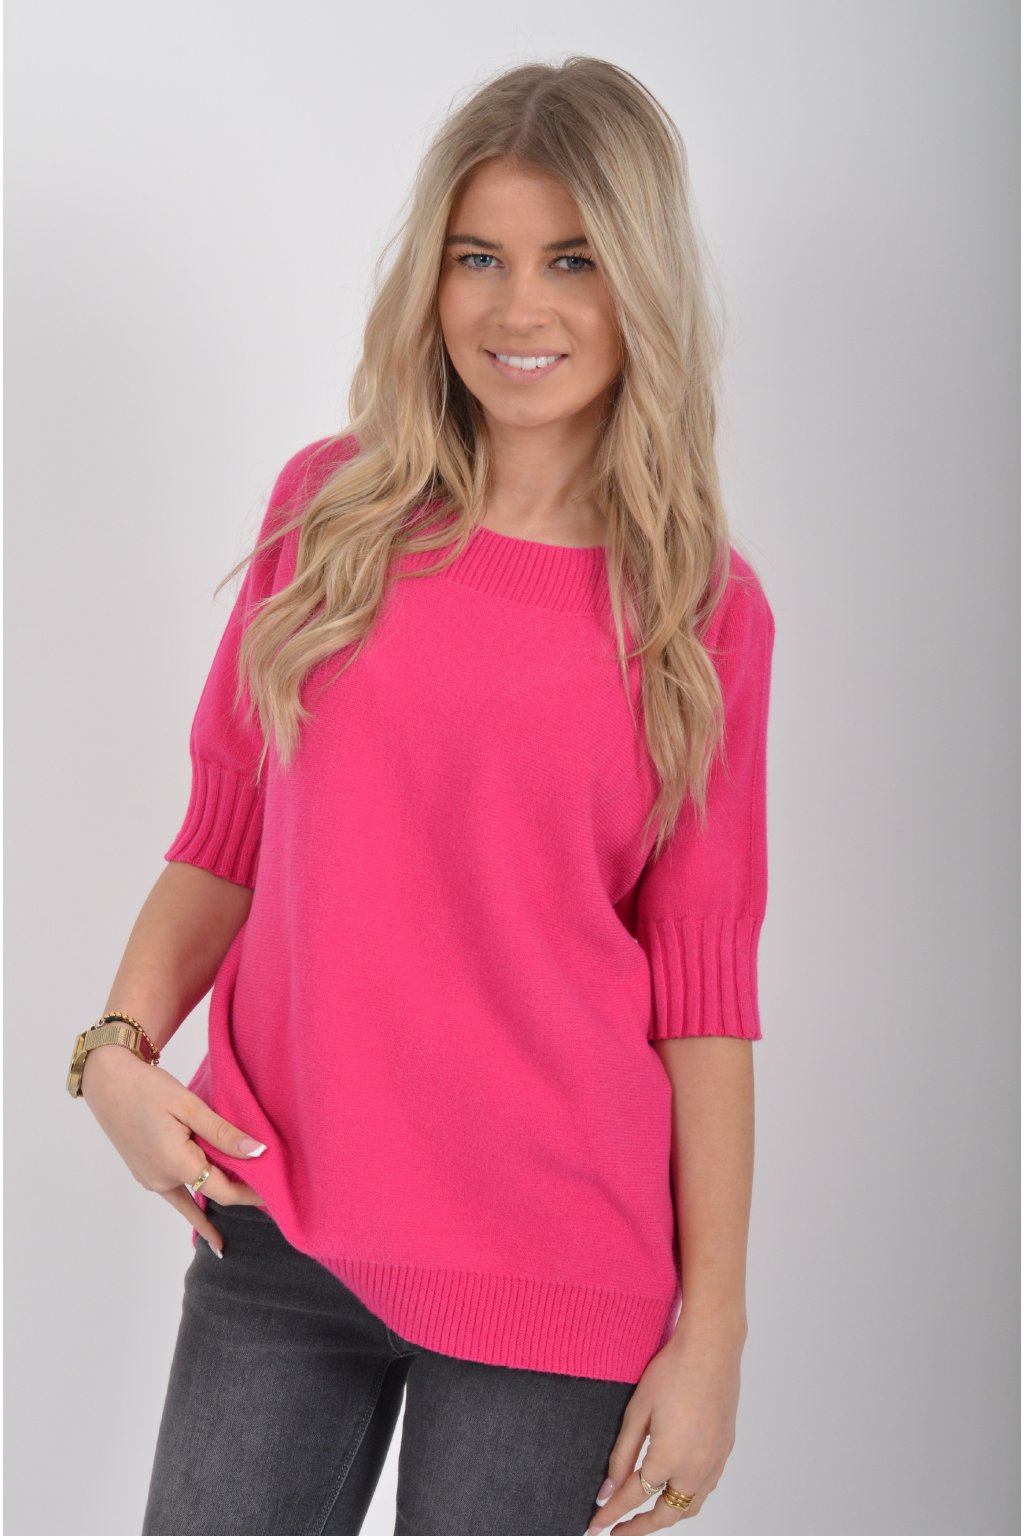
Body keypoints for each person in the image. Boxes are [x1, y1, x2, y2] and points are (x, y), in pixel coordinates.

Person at [71, 55, 776, 1536]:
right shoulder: (328, 514)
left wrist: (711, 1335)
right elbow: (226, 833)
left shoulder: (698, 612)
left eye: (572, 260)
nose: (520, 309)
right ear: (432, 279)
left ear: (640, 284)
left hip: (555, 1267)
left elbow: (701, 989)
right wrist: (119, 1055)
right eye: (479, 258)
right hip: (277, 1223)